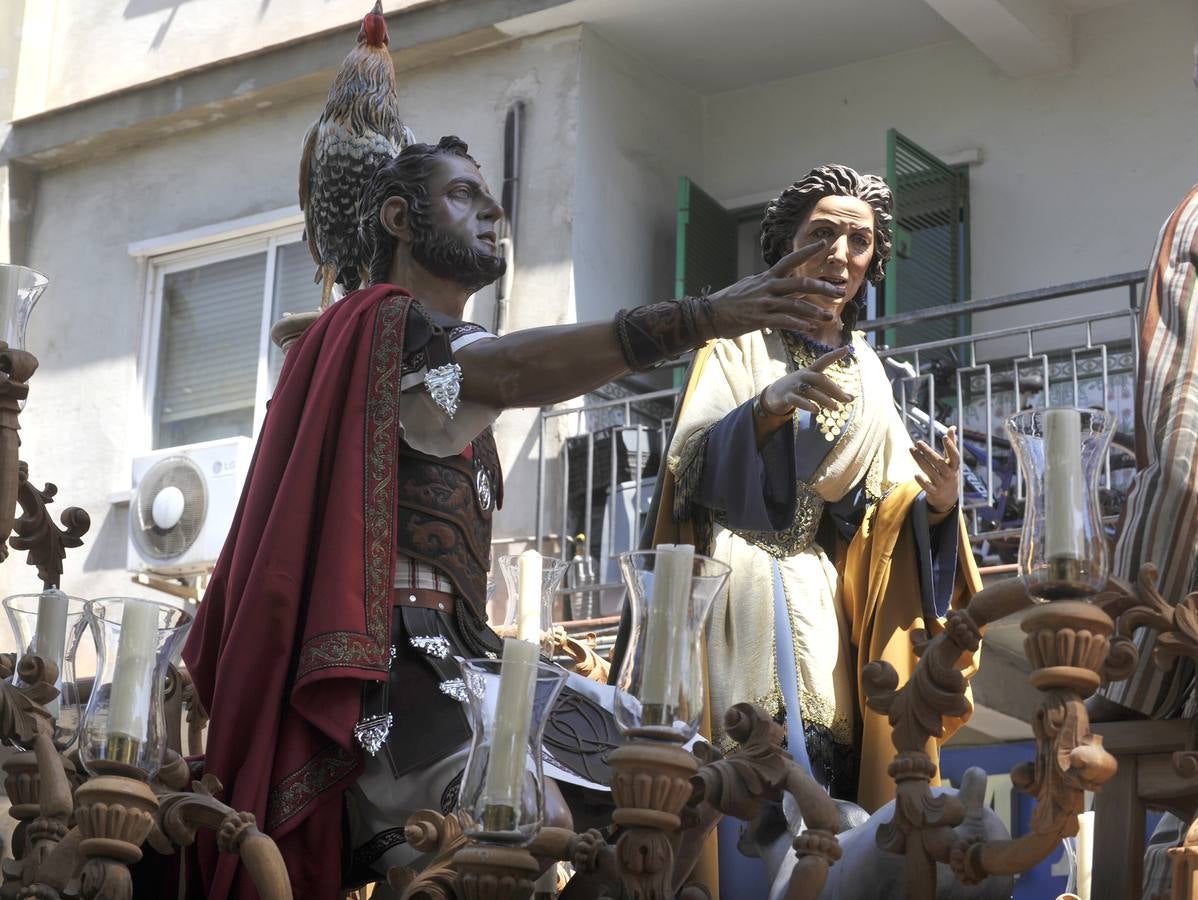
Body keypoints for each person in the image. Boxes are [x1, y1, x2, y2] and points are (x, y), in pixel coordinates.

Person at [181, 136, 848, 900]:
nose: (494, 208)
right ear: (399, 217)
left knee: (683, 777)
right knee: (527, 823)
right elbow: (512, 370)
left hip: (474, 660)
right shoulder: (385, 326)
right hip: (395, 674)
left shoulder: (410, 355)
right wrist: (699, 317)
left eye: (489, 194)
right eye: (463, 193)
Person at [629, 166, 982, 884]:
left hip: (823, 595)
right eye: (822, 234)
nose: (841, 252)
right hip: (738, 579)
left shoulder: (871, 374)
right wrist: (765, 408)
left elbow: (885, 515)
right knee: (740, 764)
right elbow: (689, 464)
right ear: (785, 248)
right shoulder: (735, 346)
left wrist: (938, 506)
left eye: (859, 240)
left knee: (829, 769)